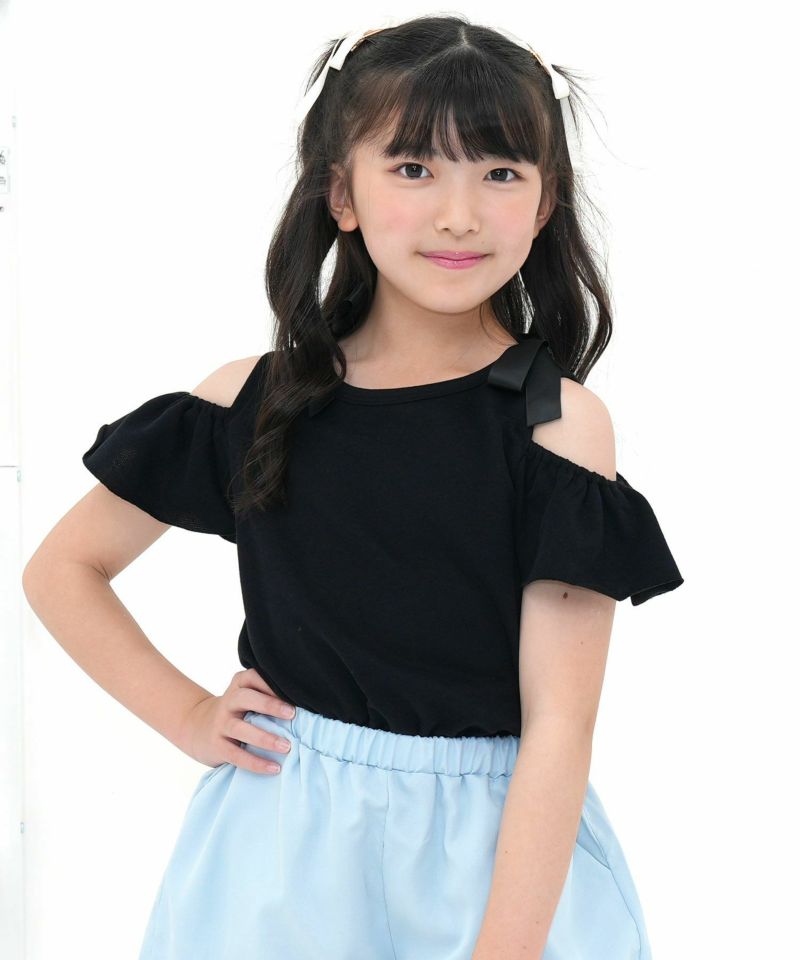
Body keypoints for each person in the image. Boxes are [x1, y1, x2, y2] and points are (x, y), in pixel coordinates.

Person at [23, 14, 684, 960]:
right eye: (413, 168)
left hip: (491, 859)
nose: (458, 214)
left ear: (545, 204)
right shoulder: (256, 400)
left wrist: (505, 949)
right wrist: (190, 716)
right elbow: (63, 570)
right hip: (278, 845)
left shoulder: (556, 427)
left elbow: (560, 727)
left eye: (501, 173)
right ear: (341, 192)